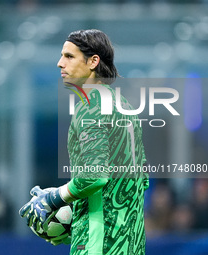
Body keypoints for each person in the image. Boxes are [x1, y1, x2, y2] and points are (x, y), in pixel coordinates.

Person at [19, 29, 149, 255]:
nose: (60, 64)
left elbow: (94, 176)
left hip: (98, 244)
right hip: (131, 241)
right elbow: (140, 179)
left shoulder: (91, 104)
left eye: (69, 56)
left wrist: (52, 199)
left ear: (93, 61)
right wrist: (76, 216)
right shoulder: (125, 106)